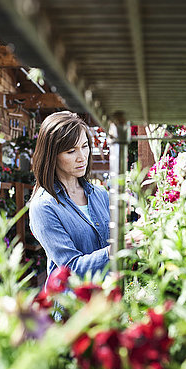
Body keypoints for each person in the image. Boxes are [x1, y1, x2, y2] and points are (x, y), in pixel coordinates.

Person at [29, 111, 110, 287]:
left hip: (107, 301)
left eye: (85, 146)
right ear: (52, 155)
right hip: (72, 308)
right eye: (71, 151)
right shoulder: (44, 206)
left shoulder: (100, 195)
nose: (82, 157)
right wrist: (115, 251)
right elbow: (70, 268)